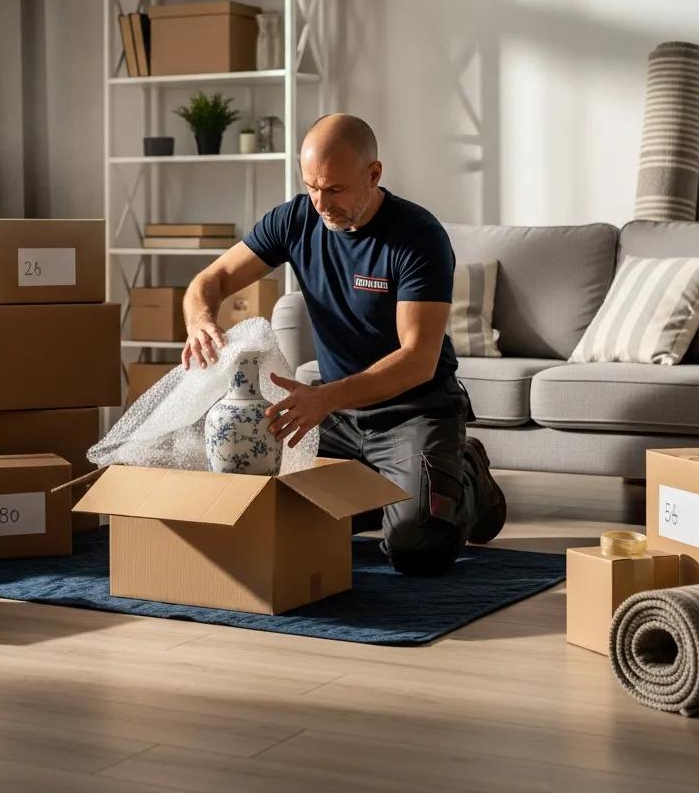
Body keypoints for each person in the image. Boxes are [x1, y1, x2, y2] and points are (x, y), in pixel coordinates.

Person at [180, 112, 506, 575]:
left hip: (412, 410)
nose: (319, 202)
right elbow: (210, 279)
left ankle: (466, 473)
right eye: (311, 186)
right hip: (334, 416)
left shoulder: (418, 237)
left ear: (373, 174)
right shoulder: (295, 218)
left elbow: (417, 359)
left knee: (417, 547)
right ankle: (391, 487)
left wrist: (325, 397)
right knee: (268, 513)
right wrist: (199, 321)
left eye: (334, 189)